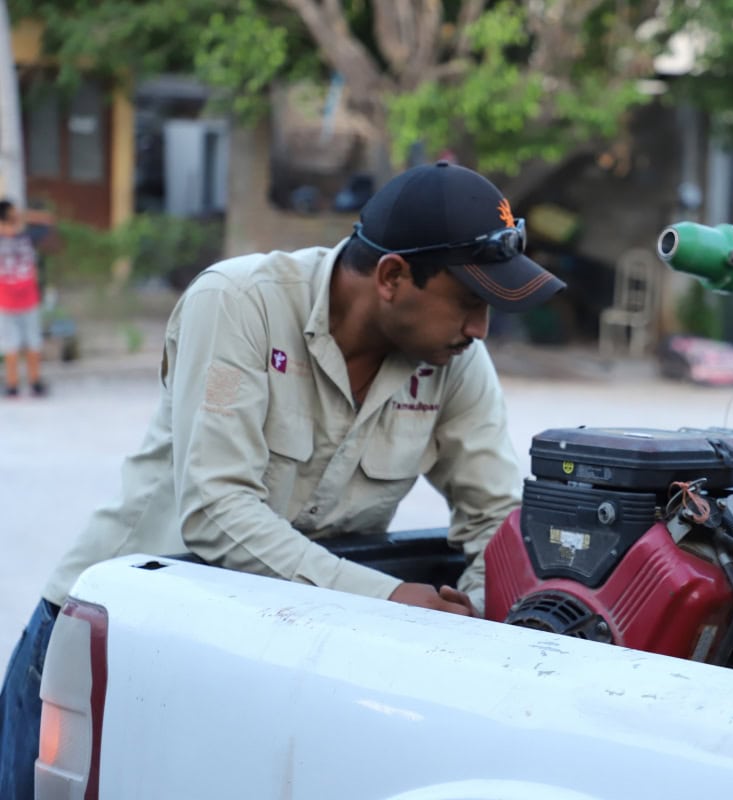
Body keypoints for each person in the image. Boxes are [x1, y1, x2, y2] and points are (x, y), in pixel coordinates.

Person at [0, 161, 565, 797]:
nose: (480, 329)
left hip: (282, 649)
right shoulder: (239, 304)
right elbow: (217, 510)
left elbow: (498, 519)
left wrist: (473, 613)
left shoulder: (455, 360)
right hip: (118, 632)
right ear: (392, 276)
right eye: (468, 302)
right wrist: (389, 603)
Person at [0, 200, 54, 397]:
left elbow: (48, 220)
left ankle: (34, 381)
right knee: (11, 346)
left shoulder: (27, 237)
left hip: (27, 301)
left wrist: (19, 215)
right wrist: (21, 215)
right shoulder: (24, 237)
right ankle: (12, 384)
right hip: (7, 303)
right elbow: (47, 220)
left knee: (32, 343)